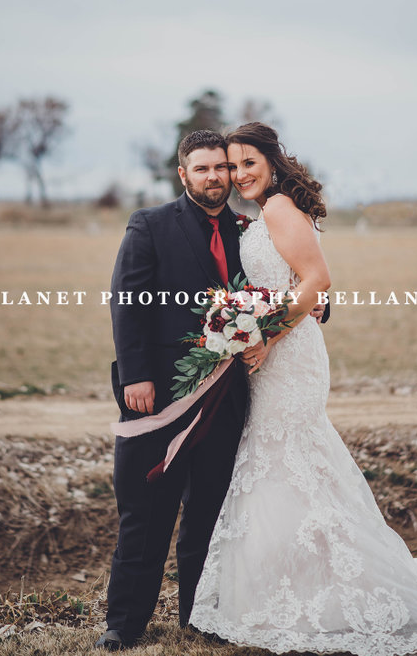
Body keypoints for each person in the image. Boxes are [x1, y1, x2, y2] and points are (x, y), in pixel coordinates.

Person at [189, 122, 417, 656]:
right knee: (283, 467)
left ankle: (320, 592)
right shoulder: (268, 211)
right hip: (280, 352)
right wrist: (251, 318)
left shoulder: (277, 208)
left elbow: (317, 280)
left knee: (284, 462)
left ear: (271, 162)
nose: (239, 173)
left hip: (289, 358)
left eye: (249, 162)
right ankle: (296, 589)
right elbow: (294, 286)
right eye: (233, 165)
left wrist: (266, 335)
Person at [96, 127, 329, 650]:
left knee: (211, 512)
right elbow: (127, 300)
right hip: (159, 393)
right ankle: (123, 624)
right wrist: (135, 375)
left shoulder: (247, 229)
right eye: (202, 169)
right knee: (145, 514)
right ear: (183, 174)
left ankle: (200, 617)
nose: (215, 177)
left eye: (221, 167)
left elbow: (289, 279)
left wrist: (316, 303)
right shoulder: (151, 225)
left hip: (229, 397)